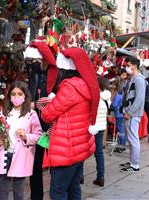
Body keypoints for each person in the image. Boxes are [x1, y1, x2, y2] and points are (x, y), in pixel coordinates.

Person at [41, 48, 100, 199]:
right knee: (73, 188)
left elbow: (47, 115)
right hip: (79, 147)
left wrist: (46, 106)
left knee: (58, 192)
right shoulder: (84, 84)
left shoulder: (69, 88)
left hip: (66, 149)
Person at [0, 81, 42, 200]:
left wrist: (26, 136)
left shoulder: (31, 114)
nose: (16, 97)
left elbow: (38, 135)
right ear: (9, 96)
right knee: (2, 190)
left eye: (20, 94)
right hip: (4, 154)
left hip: (21, 156)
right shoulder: (4, 113)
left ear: (25, 96)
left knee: (18, 190)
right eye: (13, 94)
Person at [24, 41, 57, 200]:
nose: (32, 65)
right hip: (36, 123)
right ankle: (35, 196)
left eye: (34, 61)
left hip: (52, 123)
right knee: (35, 163)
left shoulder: (55, 74)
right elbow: (30, 92)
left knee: (56, 161)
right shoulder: (34, 72)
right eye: (29, 62)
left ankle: (59, 193)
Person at [120, 56, 147, 172]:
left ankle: (135, 165)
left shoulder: (139, 80)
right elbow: (122, 91)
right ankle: (132, 161)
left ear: (134, 65)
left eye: (128, 65)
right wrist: (123, 80)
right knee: (130, 139)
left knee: (133, 139)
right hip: (128, 112)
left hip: (132, 114)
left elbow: (140, 99)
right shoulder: (131, 78)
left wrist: (130, 112)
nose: (126, 67)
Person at [91, 75, 111, 187]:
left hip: (91, 128)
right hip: (101, 127)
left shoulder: (95, 97)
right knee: (99, 153)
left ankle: (80, 177)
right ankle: (101, 177)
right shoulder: (106, 98)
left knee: (83, 152)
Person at [111, 81, 127, 153]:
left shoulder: (118, 94)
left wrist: (111, 106)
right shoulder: (126, 94)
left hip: (118, 114)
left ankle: (121, 146)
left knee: (120, 130)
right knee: (123, 130)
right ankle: (123, 145)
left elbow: (114, 104)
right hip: (125, 113)